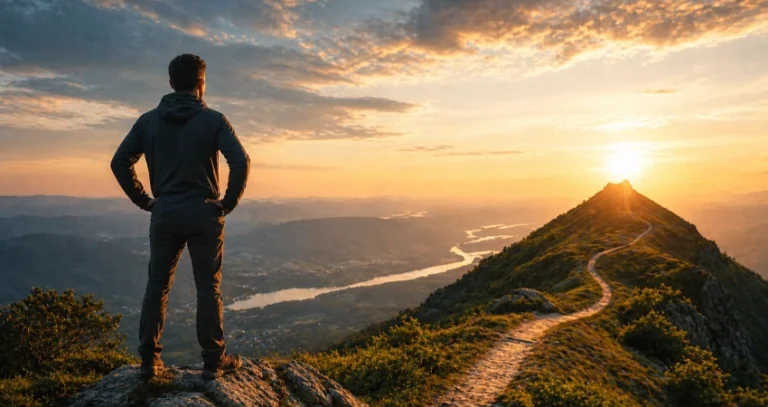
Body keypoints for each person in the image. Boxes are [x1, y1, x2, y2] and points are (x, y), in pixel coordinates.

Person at [111, 54, 250, 380]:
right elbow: (241, 161)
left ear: (172, 83)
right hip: (205, 213)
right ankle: (214, 362)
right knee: (207, 287)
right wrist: (227, 203)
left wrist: (145, 200)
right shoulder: (214, 120)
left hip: (165, 213)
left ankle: (149, 362)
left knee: (157, 285)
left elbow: (120, 162)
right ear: (202, 83)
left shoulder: (147, 121)